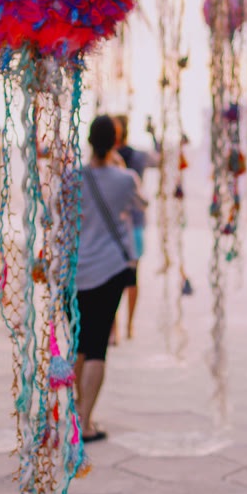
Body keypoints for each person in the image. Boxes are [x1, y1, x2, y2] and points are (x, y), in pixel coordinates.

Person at [73, 114, 144, 442]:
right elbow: (142, 204)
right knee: (98, 345)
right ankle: (86, 421)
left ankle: (76, 408)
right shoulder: (126, 179)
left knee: (80, 342)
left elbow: (59, 216)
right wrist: (116, 162)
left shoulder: (73, 178)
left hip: (77, 269)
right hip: (111, 268)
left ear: (88, 140)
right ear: (115, 142)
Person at [110, 116, 158, 344]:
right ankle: (128, 325)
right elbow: (160, 159)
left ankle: (115, 328)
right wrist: (154, 136)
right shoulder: (139, 157)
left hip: (115, 225)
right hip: (136, 222)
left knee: (112, 278)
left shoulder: (108, 158)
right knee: (131, 276)